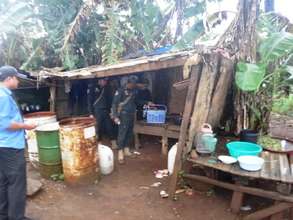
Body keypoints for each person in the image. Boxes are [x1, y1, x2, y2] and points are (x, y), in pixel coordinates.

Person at [0, 66, 36, 220]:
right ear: (9, 79)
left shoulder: (3, 94)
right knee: (16, 184)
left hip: (4, 145)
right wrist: (25, 126)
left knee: (3, 182)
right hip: (11, 147)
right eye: (16, 78)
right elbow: (4, 123)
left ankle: (4, 215)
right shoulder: (3, 96)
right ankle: (16, 217)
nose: (18, 81)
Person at [111, 76, 152, 164]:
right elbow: (114, 104)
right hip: (123, 115)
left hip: (132, 114)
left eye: (134, 84)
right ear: (128, 83)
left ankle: (126, 150)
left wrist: (146, 102)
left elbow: (136, 101)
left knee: (129, 132)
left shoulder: (134, 91)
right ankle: (120, 152)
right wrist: (115, 116)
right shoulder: (120, 91)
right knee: (122, 133)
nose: (133, 86)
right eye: (132, 84)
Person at [87, 77, 118, 149]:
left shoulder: (107, 88)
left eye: (106, 81)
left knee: (109, 126)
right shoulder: (92, 88)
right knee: (98, 127)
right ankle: (99, 142)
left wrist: (111, 111)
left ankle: (113, 142)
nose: (106, 82)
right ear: (100, 81)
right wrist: (91, 113)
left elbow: (110, 100)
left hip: (106, 110)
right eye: (104, 81)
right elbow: (89, 101)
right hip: (97, 111)